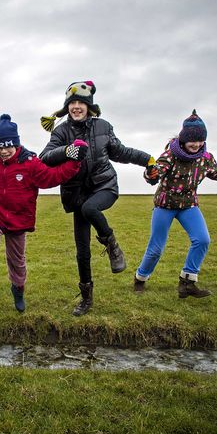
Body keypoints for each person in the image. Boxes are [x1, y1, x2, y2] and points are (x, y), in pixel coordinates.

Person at [40, 80, 156, 316]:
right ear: (67, 107)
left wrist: (147, 159)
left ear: (89, 106)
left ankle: (112, 244)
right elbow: (44, 158)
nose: (76, 107)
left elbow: (121, 152)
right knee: (82, 251)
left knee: (90, 209)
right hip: (76, 194)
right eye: (71, 103)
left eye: (80, 102)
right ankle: (86, 299)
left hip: (104, 186)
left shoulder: (103, 126)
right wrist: (67, 150)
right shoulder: (61, 131)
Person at [135, 109, 217, 298]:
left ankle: (187, 282)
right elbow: (156, 172)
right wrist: (150, 174)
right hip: (165, 205)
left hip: (188, 205)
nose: (196, 144)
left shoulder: (206, 159)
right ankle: (140, 278)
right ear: (183, 139)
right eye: (192, 140)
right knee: (156, 248)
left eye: (200, 140)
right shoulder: (170, 155)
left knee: (202, 239)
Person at [0, 114, 85, 312]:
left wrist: (73, 163)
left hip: (19, 218)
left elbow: (51, 177)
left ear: (16, 144)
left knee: (17, 260)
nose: (3, 151)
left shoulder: (30, 163)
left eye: (7, 146)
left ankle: (18, 291)